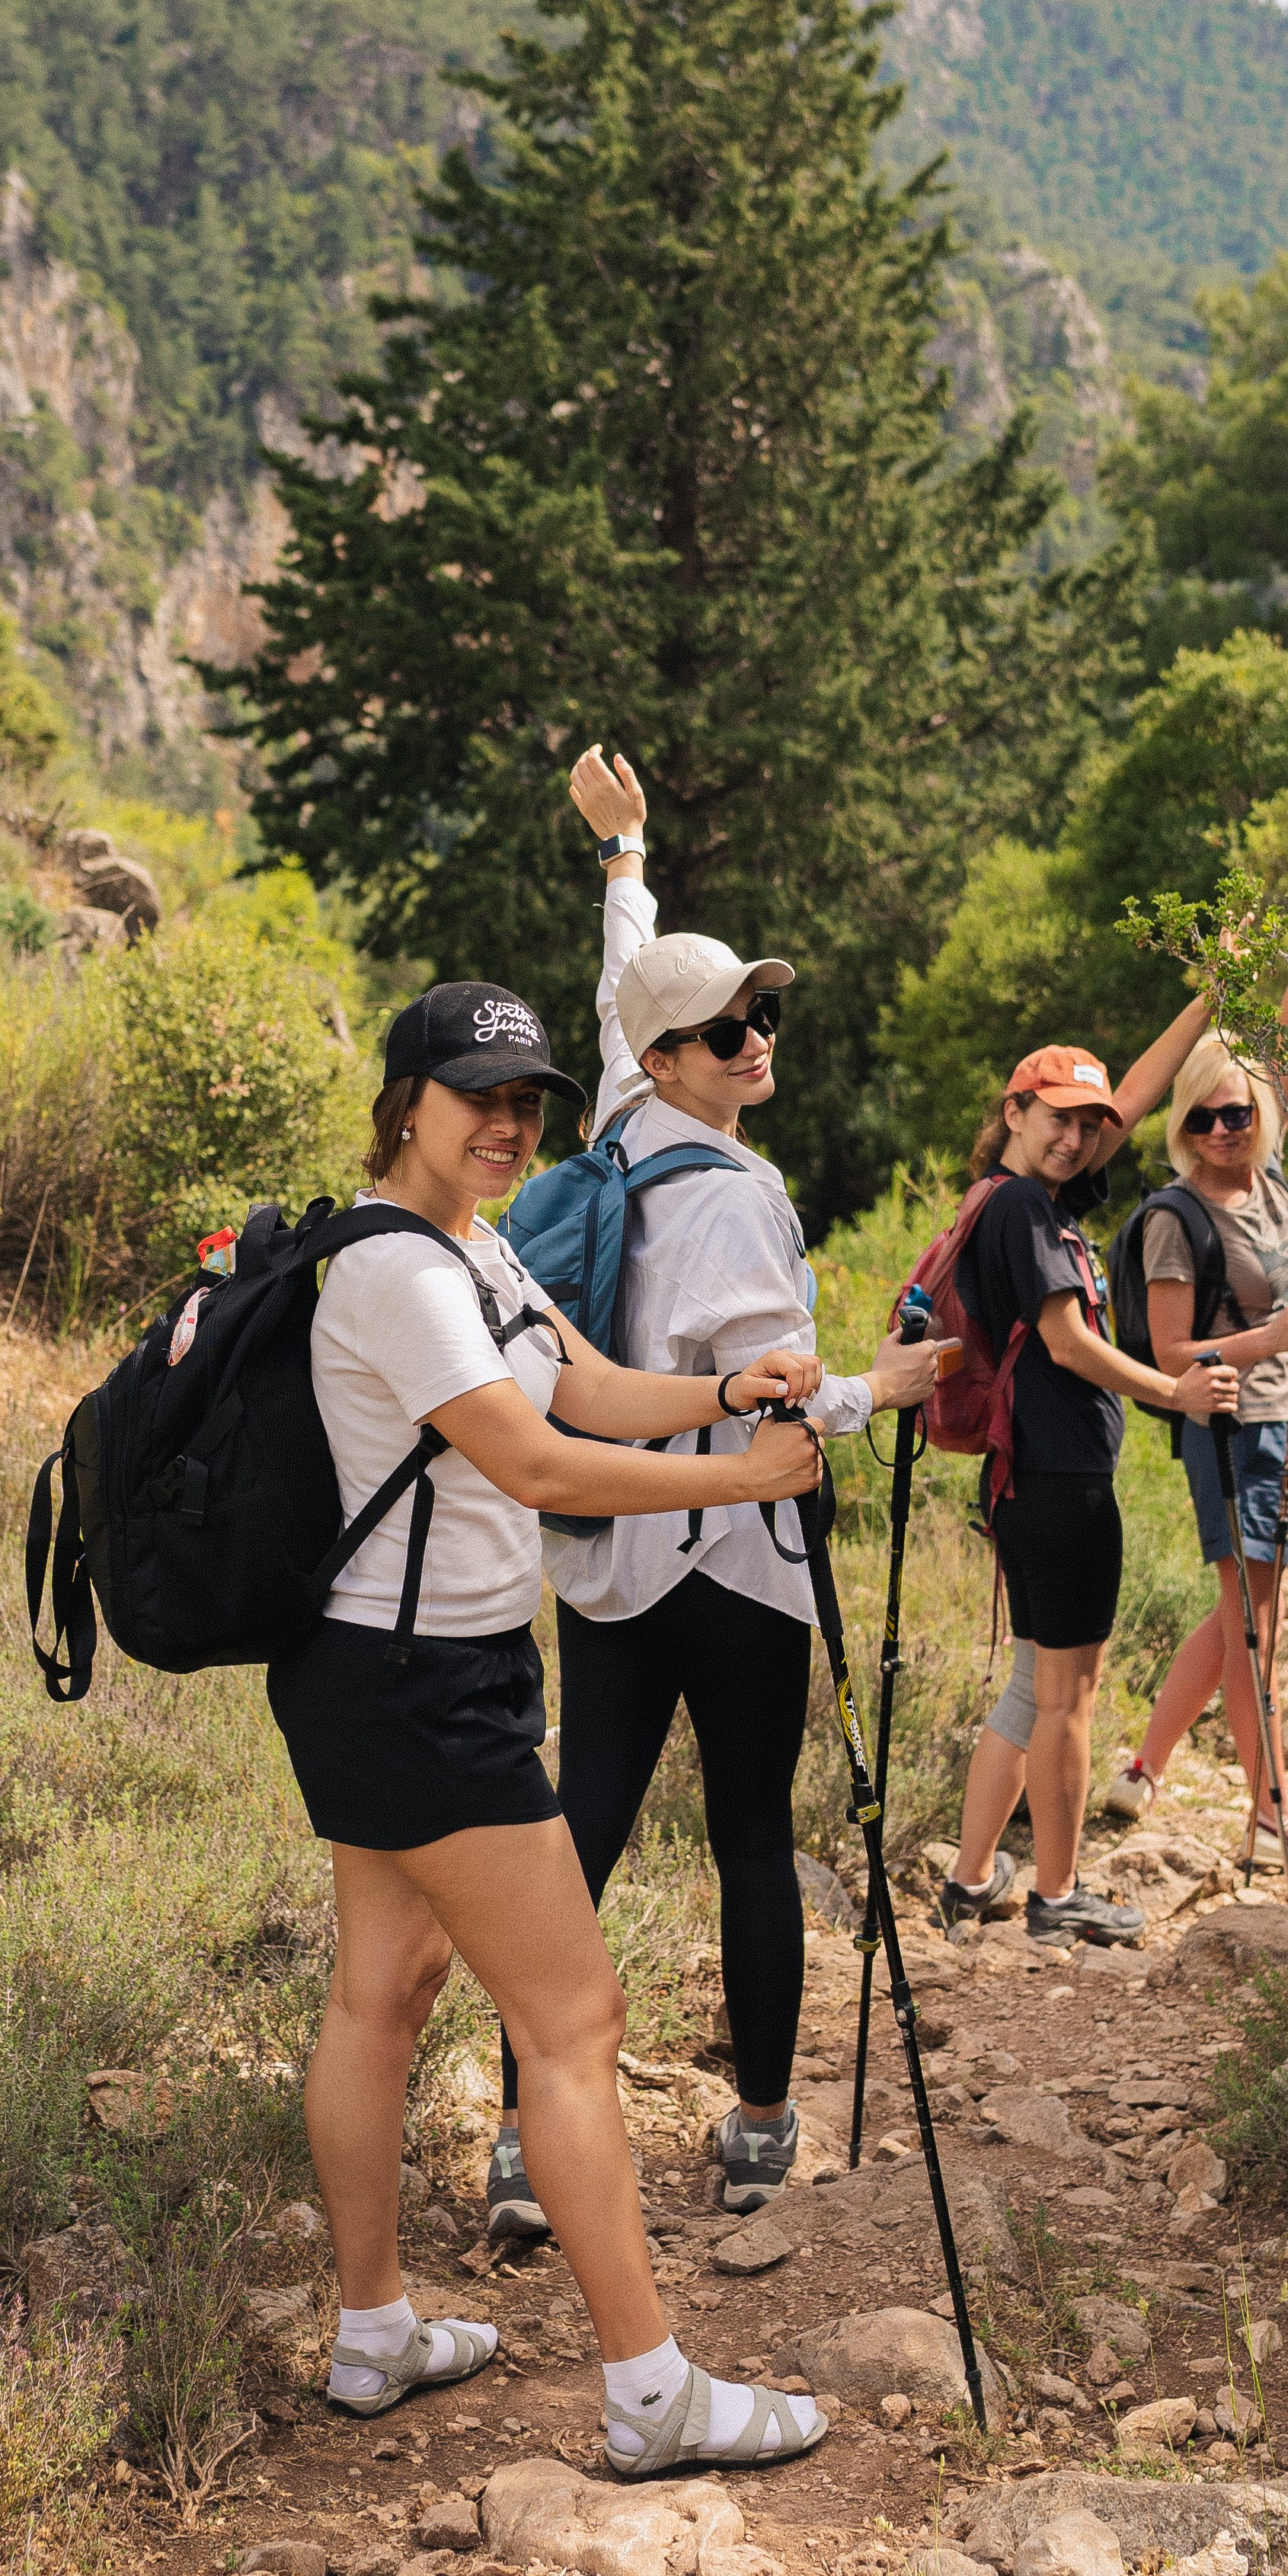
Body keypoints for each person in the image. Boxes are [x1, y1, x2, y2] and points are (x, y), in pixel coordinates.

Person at [276, 975, 829, 2472]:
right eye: (479, 1096)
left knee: (381, 1994)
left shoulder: (477, 1246)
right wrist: (743, 1476)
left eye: (526, 1101)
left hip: (393, 1672)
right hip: (418, 1689)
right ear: (408, 1101)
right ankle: (651, 2389)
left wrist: (725, 1385)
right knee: (574, 2019)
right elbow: (537, 1465)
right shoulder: (395, 1268)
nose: (508, 1123)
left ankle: (373, 2328)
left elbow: (580, 1386)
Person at [483, 750, 941, 2243]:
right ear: (671, 1056)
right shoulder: (740, 1199)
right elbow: (780, 1405)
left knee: (579, 1840)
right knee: (753, 1834)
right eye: (726, 1027)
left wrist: (626, 864)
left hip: (608, 1555)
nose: (753, 1039)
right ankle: (755, 2130)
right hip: (734, 1564)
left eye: (760, 1014)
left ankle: (513, 2139)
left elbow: (629, 979)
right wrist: (887, 1392)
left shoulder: (615, 1121)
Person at [936, 1042, 1244, 1949]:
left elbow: (1130, 1106)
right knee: (1068, 1699)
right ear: (1014, 1110)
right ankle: (1056, 1894)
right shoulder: (1028, 1207)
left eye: (1085, 1124)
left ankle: (968, 1881)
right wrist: (1172, 1391)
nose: (1074, 1139)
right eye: (1056, 1118)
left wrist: (1203, 1000)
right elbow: (1067, 1341)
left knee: (1032, 1684)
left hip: (1021, 1479)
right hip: (1061, 1483)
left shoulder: (1004, 1197)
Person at [1104, 827, 1288, 1870]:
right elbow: (1174, 1356)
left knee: (1251, 1609)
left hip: (1286, 1418)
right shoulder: (1175, 1218)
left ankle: (1143, 1771)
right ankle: (1272, 1815)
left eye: (1238, 1112)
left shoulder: (1272, 1166)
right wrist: (1265, 1339)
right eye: (1206, 1116)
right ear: (1184, 1124)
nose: (1225, 1128)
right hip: (1227, 1427)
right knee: (1255, 1624)